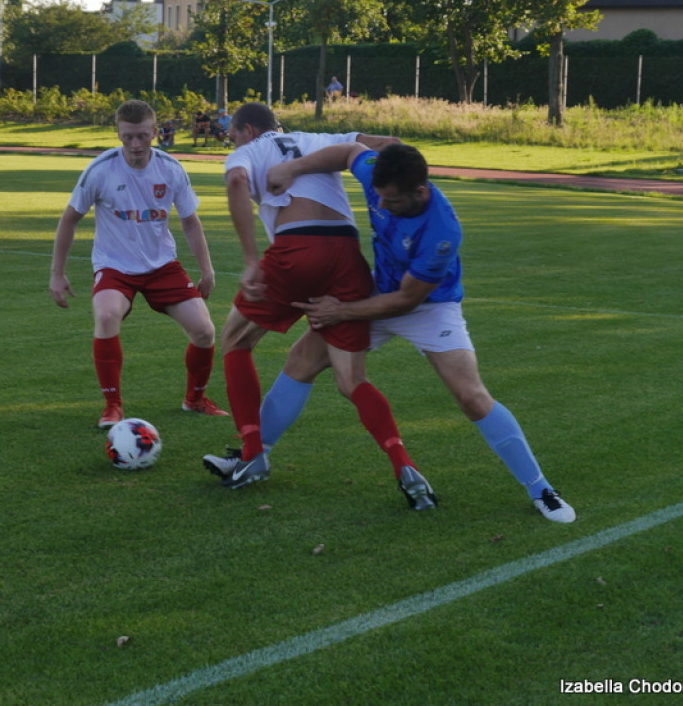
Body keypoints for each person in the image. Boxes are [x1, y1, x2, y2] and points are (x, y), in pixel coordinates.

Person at [264, 142, 576, 523]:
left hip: (429, 307)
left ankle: (541, 489)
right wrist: (294, 167)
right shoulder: (382, 176)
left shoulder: (442, 231)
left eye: (390, 201)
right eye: (378, 197)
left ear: (420, 192)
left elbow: (407, 301)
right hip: (378, 291)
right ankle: (254, 454)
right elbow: (349, 152)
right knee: (301, 360)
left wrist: (341, 310)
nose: (381, 206)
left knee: (471, 396)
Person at [203, 101, 436, 510]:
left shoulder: (246, 151)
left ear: (248, 130)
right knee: (351, 380)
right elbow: (392, 145)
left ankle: (252, 453)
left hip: (297, 248)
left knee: (235, 340)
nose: (231, 140)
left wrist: (250, 258)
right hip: (347, 257)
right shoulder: (320, 139)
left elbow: (237, 184)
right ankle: (406, 466)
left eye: (233, 134)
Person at [49, 99, 228, 429]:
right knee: (105, 315)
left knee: (204, 330)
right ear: (117, 133)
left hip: (162, 266)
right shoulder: (100, 170)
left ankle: (195, 400)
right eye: (128, 136)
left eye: (143, 136)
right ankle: (113, 406)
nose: (135, 144)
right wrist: (57, 274)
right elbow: (69, 220)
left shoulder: (171, 169)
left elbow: (190, 222)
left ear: (155, 133)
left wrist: (207, 269)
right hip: (115, 266)